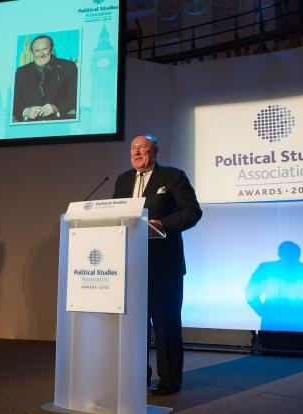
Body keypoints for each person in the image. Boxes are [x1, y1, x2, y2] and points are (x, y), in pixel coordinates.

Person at [112, 134, 202, 396]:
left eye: (143, 147)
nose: (137, 152)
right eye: (133, 148)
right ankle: (137, 377)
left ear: (155, 151)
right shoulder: (123, 179)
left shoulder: (173, 177)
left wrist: (163, 224)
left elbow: (192, 212)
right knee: (135, 326)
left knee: (165, 324)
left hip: (164, 265)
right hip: (131, 265)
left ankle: (169, 380)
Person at [12, 35, 77, 122]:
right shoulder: (21, 72)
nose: (41, 54)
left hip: (60, 125)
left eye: (45, 49)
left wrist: (56, 108)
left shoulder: (68, 66)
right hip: (29, 127)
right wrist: (26, 111)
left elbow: (75, 96)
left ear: (52, 48)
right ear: (32, 52)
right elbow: (12, 102)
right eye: (37, 51)